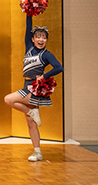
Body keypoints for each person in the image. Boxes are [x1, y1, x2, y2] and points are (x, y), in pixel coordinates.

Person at [4, 15, 63, 162]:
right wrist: (29, 12)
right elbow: (28, 27)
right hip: (26, 86)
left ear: (46, 40)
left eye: (44, 37)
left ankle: (32, 111)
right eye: (38, 37)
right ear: (33, 39)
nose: (41, 40)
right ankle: (38, 152)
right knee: (30, 123)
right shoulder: (29, 48)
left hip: (34, 89)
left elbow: (59, 67)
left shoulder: (47, 55)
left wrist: (44, 76)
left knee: (8, 99)